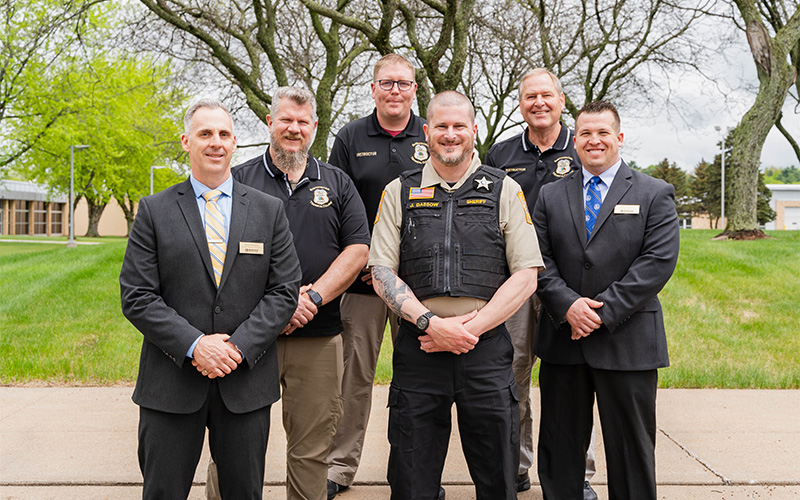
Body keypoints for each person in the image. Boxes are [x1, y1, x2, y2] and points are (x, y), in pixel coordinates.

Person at [119, 99, 301, 500]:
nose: (215, 142)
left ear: (235, 142)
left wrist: (235, 347)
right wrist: (195, 345)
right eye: (205, 134)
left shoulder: (269, 211)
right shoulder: (154, 211)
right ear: (186, 141)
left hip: (245, 385)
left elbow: (284, 290)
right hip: (171, 385)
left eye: (223, 134)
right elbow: (137, 295)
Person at [369, 90, 543, 500]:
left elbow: (526, 275)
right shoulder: (399, 191)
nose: (450, 134)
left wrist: (472, 329)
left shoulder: (504, 189)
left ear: (474, 131)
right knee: (411, 481)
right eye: (442, 127)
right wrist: (431, 324)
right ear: (426, 132)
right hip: (419, 348)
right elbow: (381, 272)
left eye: (459, 126)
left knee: (499, 480)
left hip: (485, 352)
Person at [202, 87, 371, 500]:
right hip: (249, 338)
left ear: (314, 127)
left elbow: (357, 250)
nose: (293, 129)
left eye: (302, 122)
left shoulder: (337, 182)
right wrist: (276, 306)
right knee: (235, 446)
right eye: (285, 120)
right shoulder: (238, 179)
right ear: (269, 123)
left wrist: (311, 299)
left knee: (313, 448)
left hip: (319, 334)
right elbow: (215, 252)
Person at [532, 100, 680, 500]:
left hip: (628, 342)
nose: (593, 141)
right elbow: (537, 260)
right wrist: (568, 306)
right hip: (565, 342)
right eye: (585, 134)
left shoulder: (654, 193)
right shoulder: (549, 196)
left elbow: (657, 263)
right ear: (574, 140)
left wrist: (601, 312)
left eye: (602, 133)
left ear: (619, 137)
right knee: (560, 451)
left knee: (631, 453)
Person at [485, 68, 598, 498]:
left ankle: (579, 474)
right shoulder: (500, 154)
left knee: (570, 381)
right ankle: (515, 464)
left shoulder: (584, 146)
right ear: (520, 103)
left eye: (546, 95)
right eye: (530, 96)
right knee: (512, 375)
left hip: (563, 286)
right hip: (511, 283)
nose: (539, 103)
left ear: (562, 100)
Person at [326, 53, 430, 500]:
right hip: (362, 287)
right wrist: (365, 264)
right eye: (386, 83)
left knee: (420, 380)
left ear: (413, 89)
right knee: (354, 378)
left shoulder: (431, 135)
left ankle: (415, 473)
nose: (395, 91)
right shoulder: (350, 137)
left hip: (417, 287)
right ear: (372, 89)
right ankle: (339, 467)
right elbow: (334, 206)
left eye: (403, 83)